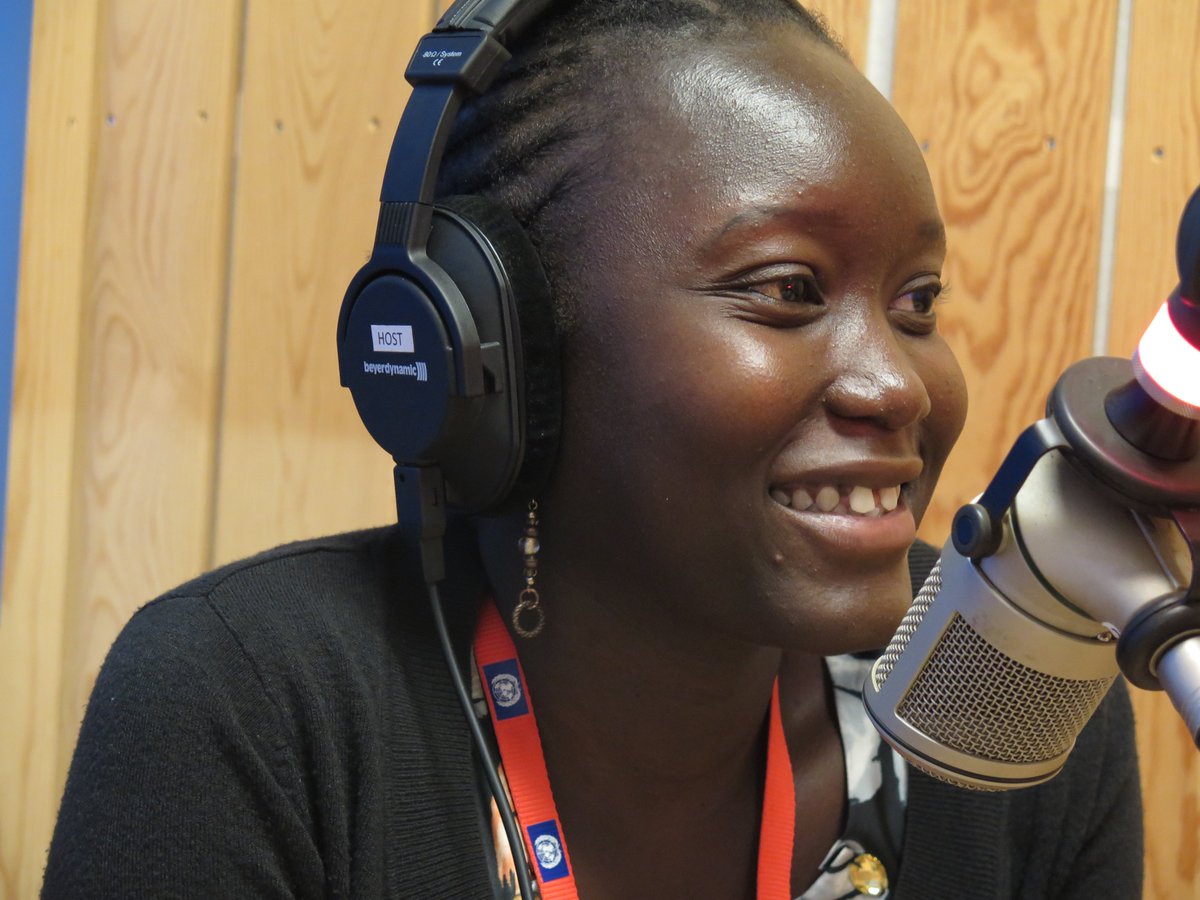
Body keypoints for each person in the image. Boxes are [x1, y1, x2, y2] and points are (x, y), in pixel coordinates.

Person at [41, 1, 1143, 898]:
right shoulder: (245, 706)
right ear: (509, 348)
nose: (899, 384)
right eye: (788, 290)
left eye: (917, 303)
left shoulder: (1008, 686)